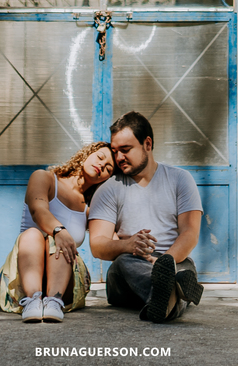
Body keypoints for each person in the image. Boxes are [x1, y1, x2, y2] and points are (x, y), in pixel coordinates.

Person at [88, 111, 205, 323]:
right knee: (125, 263)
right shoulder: (108, 189)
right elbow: (97, 244)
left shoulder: (180, 179)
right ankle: (173, 290)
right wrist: (127, 246)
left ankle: (161, 301)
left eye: (125, 150)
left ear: (147, 144)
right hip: (128, 270)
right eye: (115, 151)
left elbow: (190, 233)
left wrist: (166, 261)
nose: (118, 158)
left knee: (183, 267)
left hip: (174, 260)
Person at [0, 141, 116, 323]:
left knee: (56, 242)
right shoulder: (45, 178)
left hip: (65, 286)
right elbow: (38, 210)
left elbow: (110, 238)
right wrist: (60, 231)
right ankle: (32, 301)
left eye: (108, 168)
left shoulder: (90, 209)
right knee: (34, 234)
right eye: (100, 157)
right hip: (24, 275)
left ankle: (53, 302)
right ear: (87, 154)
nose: (102, 165)